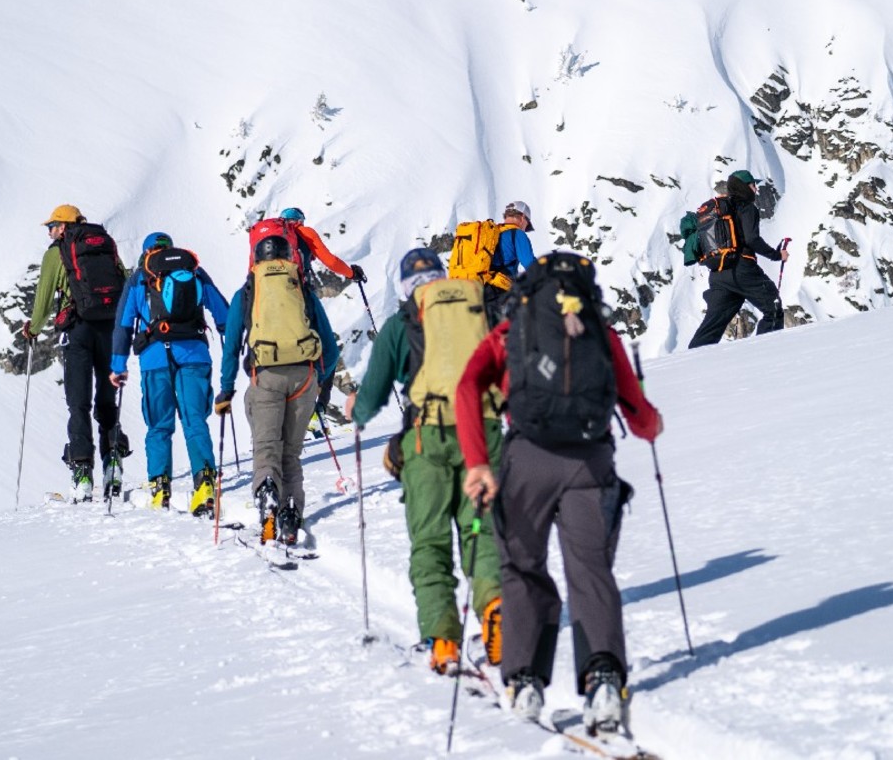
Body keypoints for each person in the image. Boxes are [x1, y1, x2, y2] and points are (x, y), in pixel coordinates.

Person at [457, 252, 662, 735]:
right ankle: (604, 680)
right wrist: (651, 425)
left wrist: (478, 463)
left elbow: (468, 385)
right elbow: (638, 412)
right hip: (591, 462)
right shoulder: (598, 329)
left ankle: (526, 680)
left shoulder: (514, 328)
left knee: (523, 567)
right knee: (590, 570)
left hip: (526, 459)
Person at [345, 248, 505, 676]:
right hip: (484, 437)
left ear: (405, 288)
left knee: (430, 542)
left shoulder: (403, 323)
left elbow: (373, 394)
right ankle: (494, 604)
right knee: (481, 531)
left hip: (426, 441)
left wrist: (356, 410)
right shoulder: (479, 307)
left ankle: (444, 641)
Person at [216, 232, 340, 543]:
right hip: (304, 378)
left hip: (265, 376)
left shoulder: (246, 293)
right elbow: (330, 347)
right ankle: (290, 513)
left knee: (267, 448)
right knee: (292, 454)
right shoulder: (301, 289)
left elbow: (231, 347)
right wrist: (319, 385)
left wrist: (226, 390)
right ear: (288, 258)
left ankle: (268, 491)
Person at [109, 233, 231, 513]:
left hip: (155, 359)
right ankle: (205, 482)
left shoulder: (140, 277)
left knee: (159, 425)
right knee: (194, 419)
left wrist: (118, 366)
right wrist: (227, 333)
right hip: (194, 355)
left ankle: (160, 486)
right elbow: (221, 310)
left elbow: (124, 324)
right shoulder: (193, 270)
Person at [21, 205, 130, 501]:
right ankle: (113, 464)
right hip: (110, 328)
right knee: (107, 401)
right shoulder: (105, 244)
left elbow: (43, 301)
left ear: (64, 226)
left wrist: (32, 329)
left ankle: (82, 472)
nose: (49, 231)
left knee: (78, 403)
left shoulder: (56, 253)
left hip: (78, 330)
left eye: (52, 225)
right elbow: (124, 279)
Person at [687, 170, 789, 348]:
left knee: (712, 326)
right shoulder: (747, 208)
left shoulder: (721, 208)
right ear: (744, 187)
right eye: (752, 185)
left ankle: (691, 361)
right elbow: (751, 239)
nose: (756, 188)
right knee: (773, 308)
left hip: (718, 273)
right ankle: (768, 356)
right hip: (743, 269)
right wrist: (776, 255)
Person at [278, 207, 366, 286]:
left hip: (266, 284)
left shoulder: (269, 233)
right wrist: (352, 274)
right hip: (295, 284)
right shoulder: (305, 232)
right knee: (313, 303)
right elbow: (331, 262)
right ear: (299, 220)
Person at [493, 200, 536, 284]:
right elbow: (530, 264)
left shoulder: (493, 232)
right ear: (523, 217)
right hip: (501, 287)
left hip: (481, 285)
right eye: (527, 225)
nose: (525, 229)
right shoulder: (517, 233)